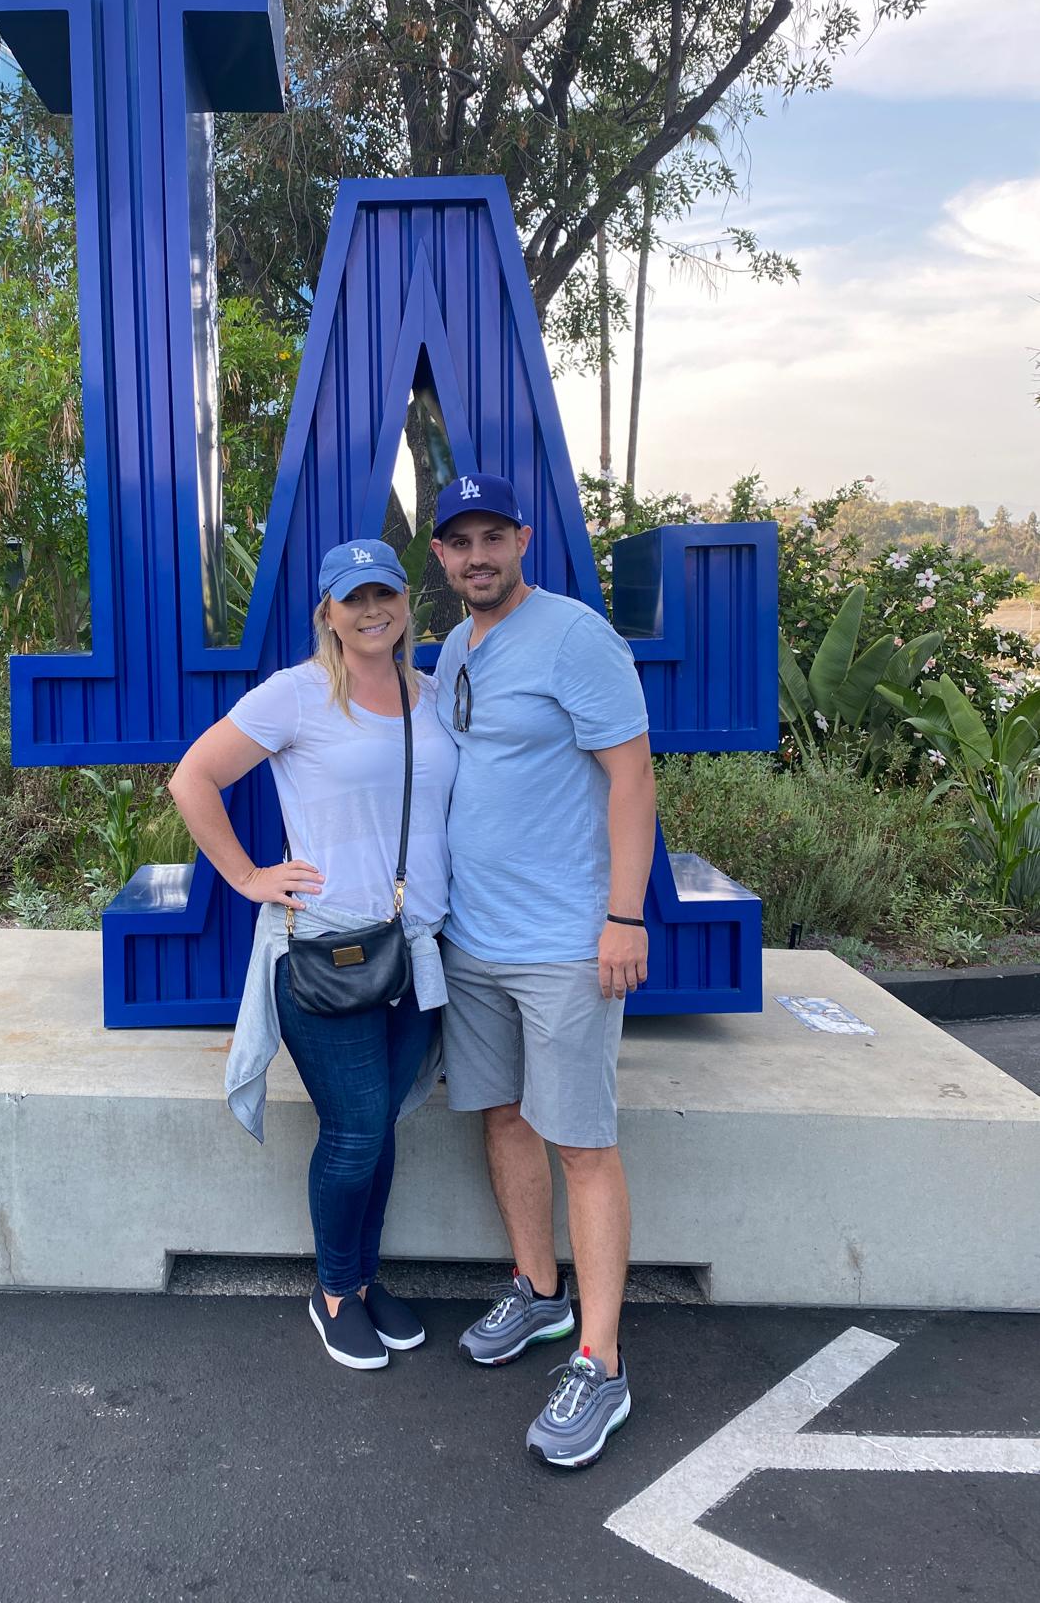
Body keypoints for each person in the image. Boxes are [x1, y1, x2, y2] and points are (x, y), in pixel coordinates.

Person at [168, 539, 457, 1371]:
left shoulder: (432, 695)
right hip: (327, 950)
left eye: (386, 594)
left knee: (388, 1122)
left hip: (417, 949)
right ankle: (332, 1295)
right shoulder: (296, 696)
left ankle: (363, 1282)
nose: (373, 611)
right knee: (357, 1127)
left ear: (407, 602)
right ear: (327, 612)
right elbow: (193, 779)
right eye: (353, 598)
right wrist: (249, 874)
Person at [429, 473, 656, 1468]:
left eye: (492, 537)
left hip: (567, 944)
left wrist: (622, 917)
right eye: (458, 542)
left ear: (522, 539)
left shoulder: (573, 636)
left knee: (582, 1145)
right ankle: (539, 1291)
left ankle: (601, 1367)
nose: (477, 556)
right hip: (474, 942)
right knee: (505, 1116)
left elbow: (634, 775)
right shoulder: (453, 646)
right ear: (439, 556)